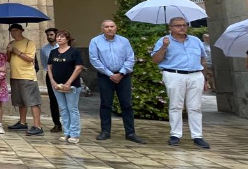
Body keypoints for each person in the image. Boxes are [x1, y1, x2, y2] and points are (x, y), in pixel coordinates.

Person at [152, 17, 210, 148]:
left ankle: (197, 136)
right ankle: (175, 135)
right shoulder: (164, 41)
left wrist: (205, 78)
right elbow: (155, 60)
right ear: (170, 27)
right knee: (176, 105)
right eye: (178, 25)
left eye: (184, 25)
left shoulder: (195, 41)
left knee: (195, 107)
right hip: (174, 74)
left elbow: (203, 60)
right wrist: (164, 47)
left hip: (195, 75)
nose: (182, 27)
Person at [88, 20, 143, 143]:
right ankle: (105, 131)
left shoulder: (124, 41)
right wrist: (110, 74)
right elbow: (94, 60)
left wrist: (121, 73)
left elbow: (130, 58)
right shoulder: (95, 41)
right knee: (106, 104)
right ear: (102, 29)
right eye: (106, 27)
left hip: (123, 76)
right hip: (105, 76)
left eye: (112, 26)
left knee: (127, 104)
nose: (109, 29)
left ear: (116, 28)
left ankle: (130, 133)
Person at [47, 30, 85, 143]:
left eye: (62, 37)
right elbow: (49, 67)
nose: (59, 39)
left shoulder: (74, 52)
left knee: (72, 109)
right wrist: (52, 81)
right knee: (63, 109)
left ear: (67, 39)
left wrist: (69, 83)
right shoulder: (53, 52)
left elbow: (78, 68)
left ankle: (74, 134)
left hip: (71, 86)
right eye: (58, 37)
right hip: (57, 85)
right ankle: (66, 132)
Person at [6, 24, 43, 136]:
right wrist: (8, 51)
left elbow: (30, 59)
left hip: (27, 76)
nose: (13, 33)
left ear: (21, 31)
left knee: (32, 101)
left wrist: (16, 51)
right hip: (15, 75)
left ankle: (38, 125)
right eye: (11, 31)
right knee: (20, 101)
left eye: (15, 30)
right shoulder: (11, 43)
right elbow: (8, 59)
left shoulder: (29, 43)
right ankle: (22, 122)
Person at [39, 28, 62, 133]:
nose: (49, 37)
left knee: (66, 100)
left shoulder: (63, 47)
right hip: (51, 75)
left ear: (56, 35)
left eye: (51, 34)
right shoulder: (44, 49)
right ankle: (57, 123)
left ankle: (69, 124)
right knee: (53, 100)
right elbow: (44, 64)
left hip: (63, 76)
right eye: (48, 35)